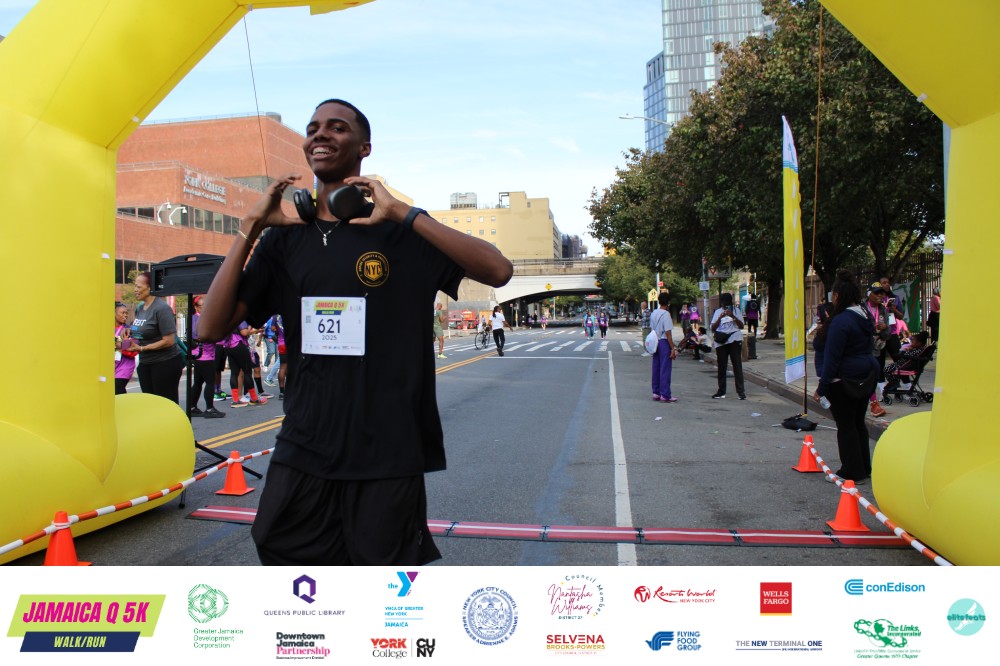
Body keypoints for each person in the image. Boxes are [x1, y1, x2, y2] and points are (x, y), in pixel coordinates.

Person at [198, 98, 513, 566]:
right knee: (279, 548)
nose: (320, 134)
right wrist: (251, 226)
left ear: (365, 148)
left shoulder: (402, 231)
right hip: (305, 442)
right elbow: (210, 327)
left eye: (337, 127)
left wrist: (404, 213)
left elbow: (498, 271)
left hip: (387, 448)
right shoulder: (284, 239)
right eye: (313, 128)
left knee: (380, 580)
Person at [815, 271, 881, 484]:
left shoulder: (841, 321)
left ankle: (851, 471)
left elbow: (832, 358)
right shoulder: (864, 315)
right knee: (858, 422)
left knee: (846, 425)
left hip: (844, 379)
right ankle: (863, 467)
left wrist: (822, 387)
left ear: (836, 295)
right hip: (866, 374)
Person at [130, 271, 184, 404]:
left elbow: (169, 341)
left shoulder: (161, 308)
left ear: (149, 288)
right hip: (145, 363)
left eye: (138, 286)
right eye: (135, 286)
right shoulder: (140, 308)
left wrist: (142, 348)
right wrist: (129, 332)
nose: (135, 290)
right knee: (150, 404)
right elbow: (143, 330)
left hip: (165, 363)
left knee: (165, 404)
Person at [189, 296, 225, 418]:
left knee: (198, 382)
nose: (205, 308)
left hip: (202, 354)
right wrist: (214, 336)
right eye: (202, 306)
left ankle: (192, 407)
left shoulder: (199, 318)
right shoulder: (197, 319)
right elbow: (198, 336)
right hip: (203, 355)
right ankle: (209, 409)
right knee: (210, 382)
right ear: (196, 307)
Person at [710, 293, 746, 400]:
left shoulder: (736, 311)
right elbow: (713, 328)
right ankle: (721, 391)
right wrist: (720, 318)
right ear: (721, 303)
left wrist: (732, 316)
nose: (725, 307)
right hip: (721, 341)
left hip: (734, 339)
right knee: (722, 367)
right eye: (724, 304)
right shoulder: (718, 312)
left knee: (737, 366)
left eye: (727, 304)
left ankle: (741, 392)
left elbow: (741, 326)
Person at [864, 282, 891, 417]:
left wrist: (885, 328)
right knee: (867, 375)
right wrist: (872, 327)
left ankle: (873, 401)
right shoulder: (862, 309)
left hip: (877, 347)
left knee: (874, 374)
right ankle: (873, 402)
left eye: (881, 293)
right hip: (863, 346)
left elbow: (888, 333)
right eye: (876, 293)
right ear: (869, 294)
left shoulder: (883, 310)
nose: (880, 296)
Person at [650, 292, 678, 402]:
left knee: (656, 367)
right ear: (668, 302)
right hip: (663, 342)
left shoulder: (654, 313)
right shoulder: (666, 314)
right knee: (665, 368)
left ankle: (656, 392)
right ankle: (665, 394)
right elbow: (668, 333)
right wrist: (672, 348)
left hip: (655, 342)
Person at [113, 301, 137, 395]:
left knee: (117, 389)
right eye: (122, 313)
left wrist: (119, 345)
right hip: (111, 366)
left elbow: (133, 350)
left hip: (124, 367)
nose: (125, 315)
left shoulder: (129, 330)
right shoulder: (104, 328)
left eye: (126, 313)